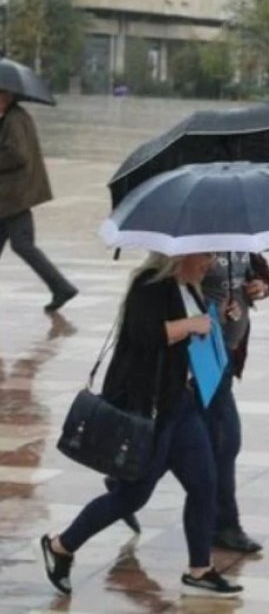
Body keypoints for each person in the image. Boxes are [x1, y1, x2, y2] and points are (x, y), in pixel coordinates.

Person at [40, 252, 243, 599]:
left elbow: (191, 333)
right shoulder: (148, 286)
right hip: (151, 408)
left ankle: (199, 569)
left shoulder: (189, 287)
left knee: (205, 484)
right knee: (132, 495)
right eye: (205, 255)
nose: (210, 262)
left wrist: (216, 318)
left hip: (183, 405)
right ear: (181, 254)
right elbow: (146, 335)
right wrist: (192, 325)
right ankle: (61, 546)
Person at [202, 252, 269, 553]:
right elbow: (173, 294)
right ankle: (225, 525)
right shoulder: (195, 245)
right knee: (224, 439)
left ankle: (130, 478)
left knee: (191, 437)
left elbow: (262, 273)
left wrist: (261, 286)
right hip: (204, 352)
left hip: (229, 352)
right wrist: (209, 310)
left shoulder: (240, 241)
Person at [0, 90, 77, 312]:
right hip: (10, 197)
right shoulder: (10, 117)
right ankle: (61, 287)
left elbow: (17, 155)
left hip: (13, 197)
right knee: (23, 244)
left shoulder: (15, 119)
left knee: (23, 244)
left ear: (6, 96)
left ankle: (61, 287)